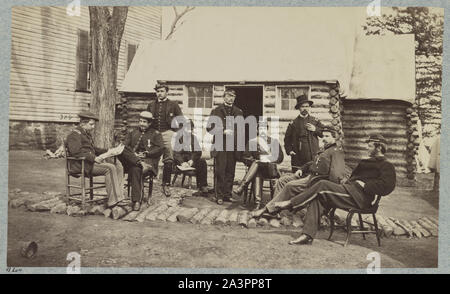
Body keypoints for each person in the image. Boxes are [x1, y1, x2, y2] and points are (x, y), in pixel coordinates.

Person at [271, 134, 396, 245]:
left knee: (323, 184)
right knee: (318, 199)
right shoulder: (365, 162)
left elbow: (387, 186)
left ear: (378, 148)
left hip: (360, 198)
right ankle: (307, 236)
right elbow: (353, 178)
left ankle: (290, 203)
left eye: (370, 146)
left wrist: (366, 186)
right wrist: (346, 182)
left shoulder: (386, 165)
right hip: (349, 192)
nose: (367, 148)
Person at [251, 127, 345, 217]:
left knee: (289, 186)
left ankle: (269, 210)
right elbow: (313, 163)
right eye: (323, 136)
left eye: (327, 136)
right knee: (282, 180)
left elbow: (335, 175)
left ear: (335, 138)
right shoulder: (325, 149)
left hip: (315, 181)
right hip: (308, 176)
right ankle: (278, 211)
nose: (323, 139)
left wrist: (329, 188)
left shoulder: (335, 151)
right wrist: (301, 169)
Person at [66, 111, 127, 208]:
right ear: (83, 123)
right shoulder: (74, 135)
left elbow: (93, 149)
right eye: (91, 124)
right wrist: (94, 158)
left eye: (93, 124)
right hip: (81, 165)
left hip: (88, 163)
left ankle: (118, 197)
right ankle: (113, 201)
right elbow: (76, 152)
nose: (93, 127)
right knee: (110, 168)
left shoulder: (85, 133)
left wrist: (109, 150)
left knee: (118, 166)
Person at [233, 120, 284, 209]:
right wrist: (256, 160)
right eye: (260, 128)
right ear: (257, 130)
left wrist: (269, 159)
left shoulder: (273, 141)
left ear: (267, 130)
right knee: (257, 170)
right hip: (258, 170)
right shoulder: (253, 142)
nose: (262, 130)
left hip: (271, 170)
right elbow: (245, 157)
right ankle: (258, 203)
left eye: (264, 128)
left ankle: (242, 187)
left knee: (257, 165)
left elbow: (280, 157)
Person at [207, 89, 244, 204]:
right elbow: (209, 128)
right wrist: (222, 131)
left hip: (232, 146)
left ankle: (227, 194)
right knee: (220, 170)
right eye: (228, 96)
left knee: (230, 171)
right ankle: (219, 195)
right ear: (224, 97)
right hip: (220, 145)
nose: (231, 98)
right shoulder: (216, 111)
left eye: (233, 96)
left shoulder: (238, 112)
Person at [121, 111, 165, 210]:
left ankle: (136, 201)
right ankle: (117, 198)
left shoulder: (156, 134)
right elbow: (125, 146)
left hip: (148, 163)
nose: (141, 124)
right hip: (132, 160)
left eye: (144, 122)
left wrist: (147, 153)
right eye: (140, 121)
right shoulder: (133, 132)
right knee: (121, 158)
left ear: (149, 123)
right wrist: (133, 154)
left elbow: (161, 148)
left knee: (136, 169)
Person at [147, 83, 183, 197]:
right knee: (152, 156)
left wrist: (177, 133)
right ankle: (151, 179)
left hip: (168, 132)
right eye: (158, 91)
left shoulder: (173, 105)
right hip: (154, 133)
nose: (159, 93)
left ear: (166, 92)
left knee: (168, 157)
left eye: (162, 91)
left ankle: (166, 184)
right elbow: (146, 119)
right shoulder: (151, 105)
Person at [284, 95, 324, 172]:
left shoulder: (315, 121)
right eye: (303, 106)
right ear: (299, 108)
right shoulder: (293, 123)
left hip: (313, 155)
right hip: (298, 157)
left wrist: (315, 129)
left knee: (313, 177)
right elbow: (287, 139)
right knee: (297, 178)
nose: (305, 108)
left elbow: (322, 133)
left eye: (307, 106)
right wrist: (289, 151)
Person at [173, 117, 209, 195]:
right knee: (179, 159)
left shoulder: (194, 138)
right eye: (187, 128)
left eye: (190, 128)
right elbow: (176, 153)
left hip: (191, 160)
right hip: (182, 160)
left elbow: (198, 151)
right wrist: (182, 162)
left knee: (202, 162)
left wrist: (192, 160)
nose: (189, 130)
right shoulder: (179, 138)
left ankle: (202, 186)